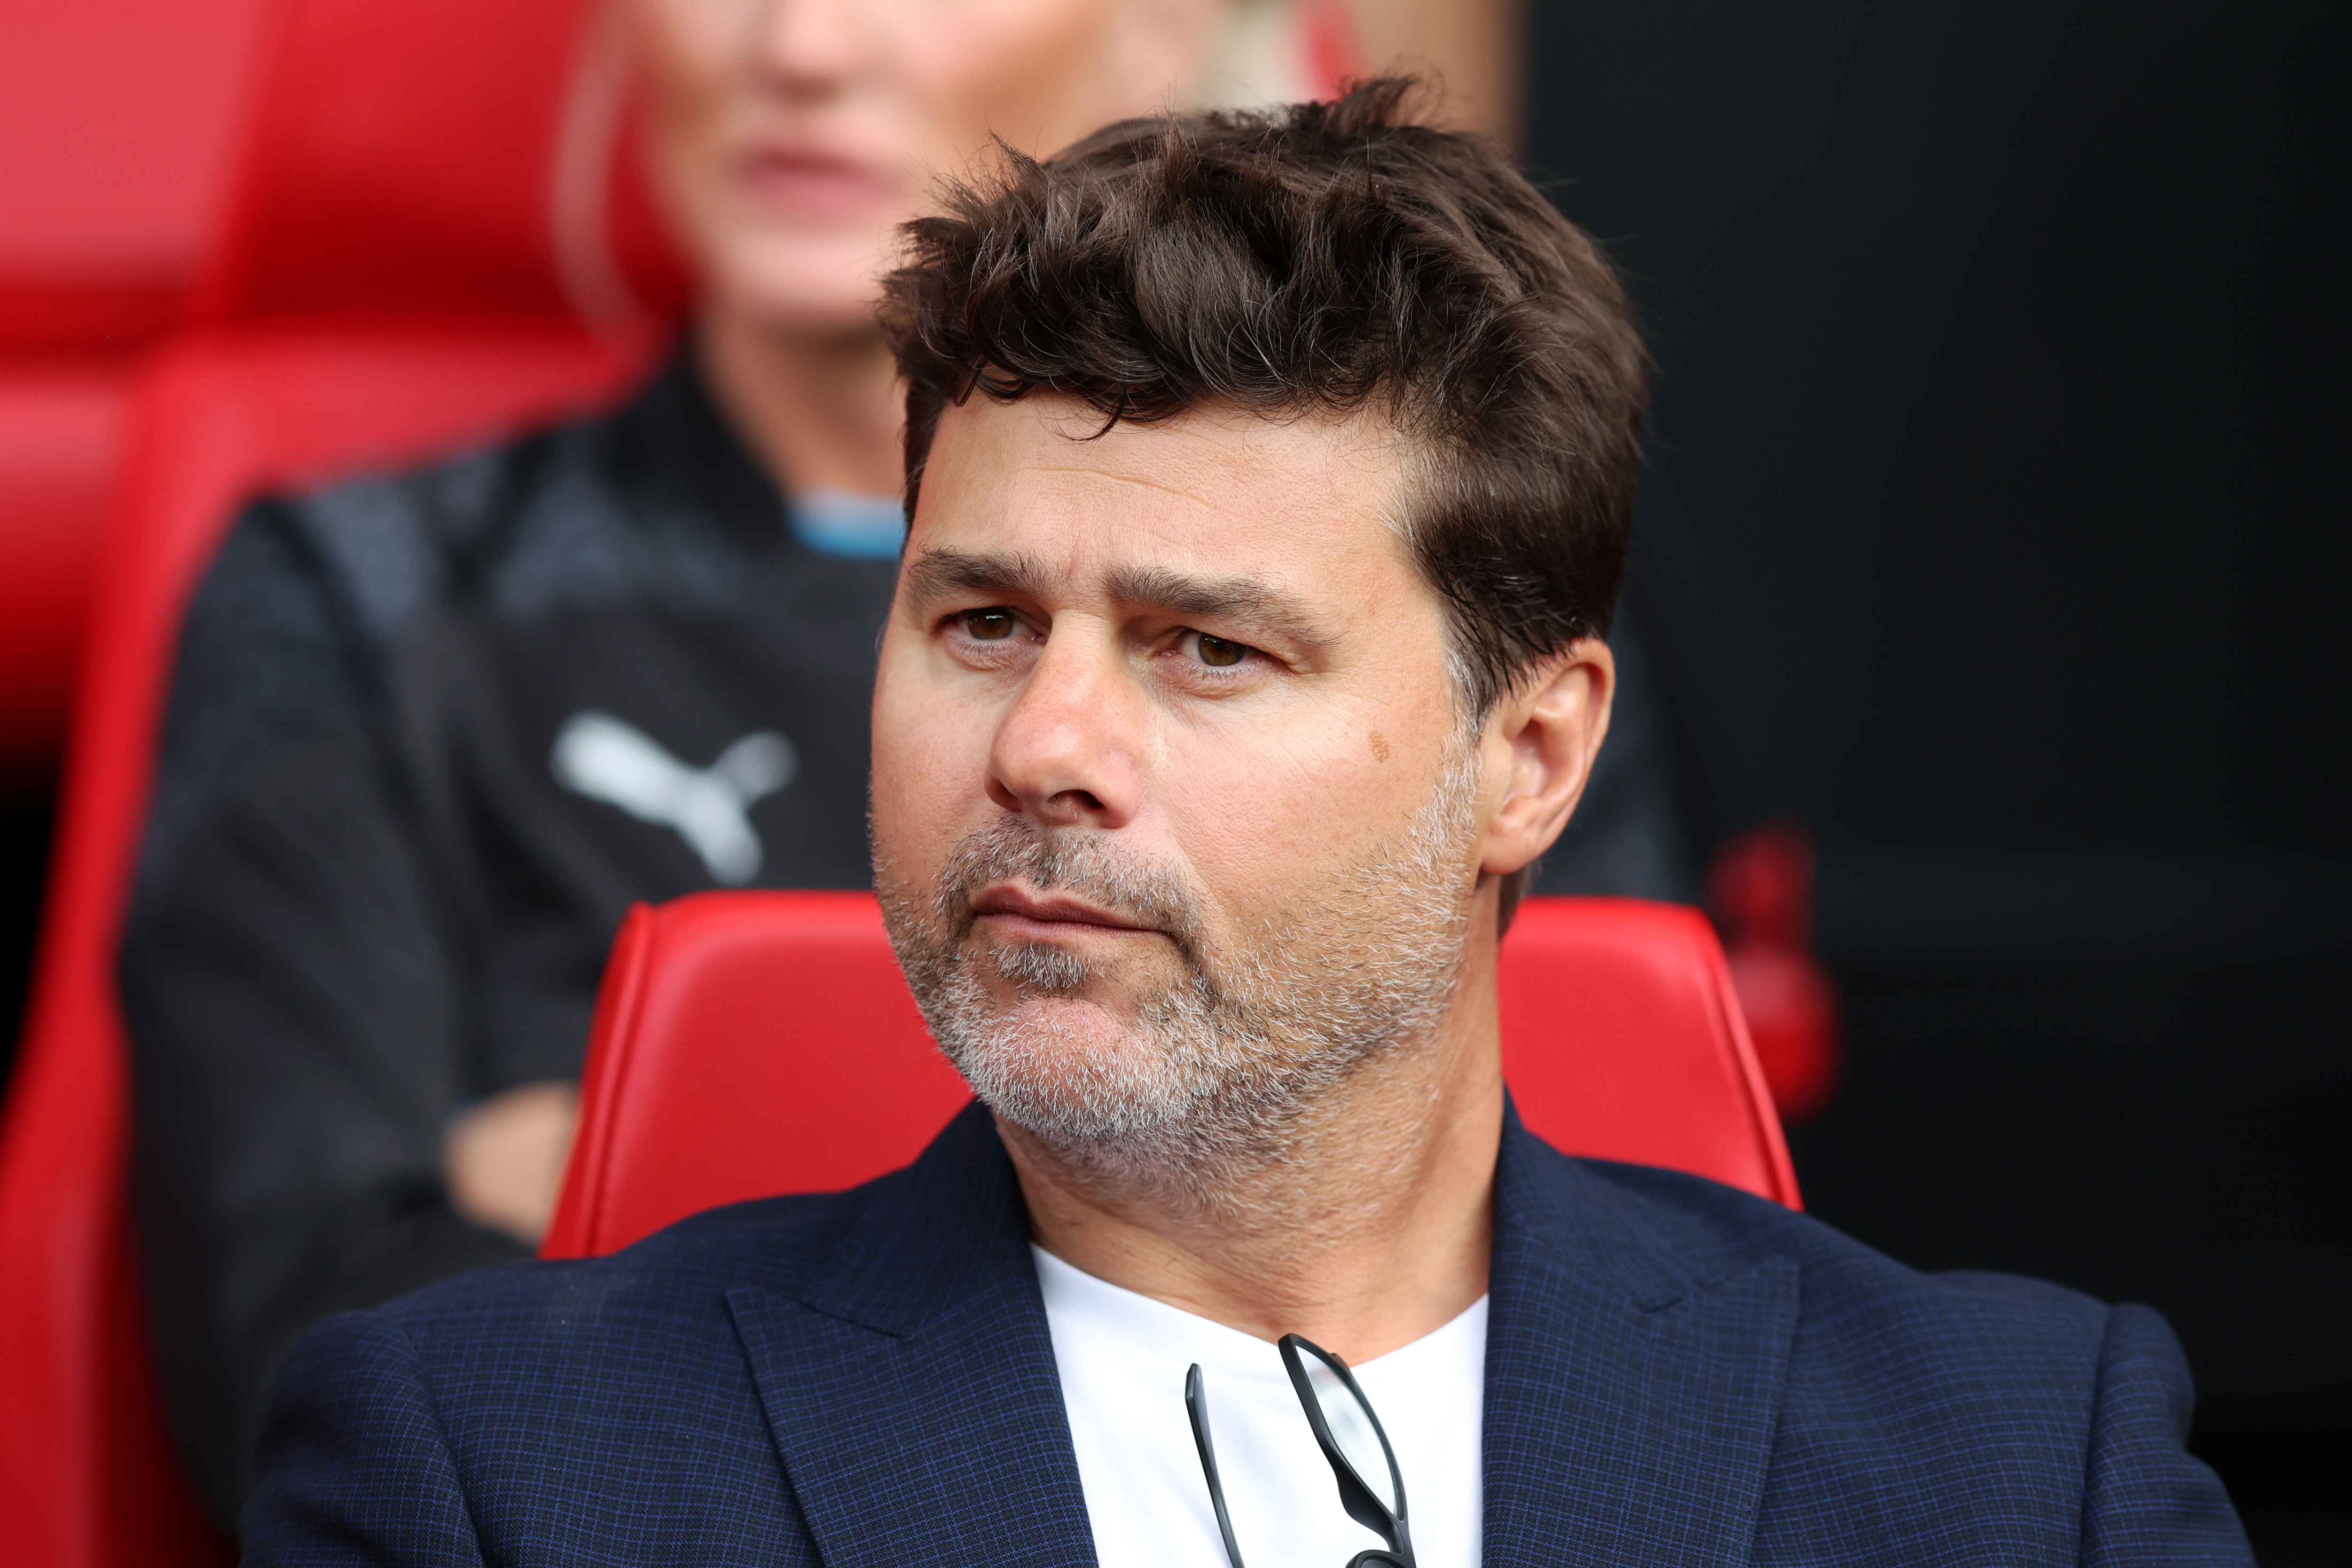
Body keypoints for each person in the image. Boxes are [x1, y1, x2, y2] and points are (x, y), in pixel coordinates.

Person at [242, 83, 2249, 1563]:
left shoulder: (2021, 1469)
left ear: (1530, 762)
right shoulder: (480, 1472)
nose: (1045, 741)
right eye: (982, 620)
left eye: (1207, 650)